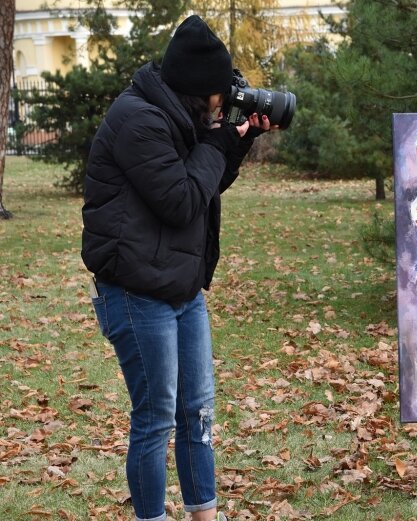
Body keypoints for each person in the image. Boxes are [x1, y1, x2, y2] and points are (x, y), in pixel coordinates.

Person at [81, 15, 271, 521]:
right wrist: (216, 142)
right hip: (136, 290)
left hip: (180, 287)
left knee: (198, 411)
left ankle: (203, 514)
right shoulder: (138, 120)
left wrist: (238, 140)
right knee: (156, 417)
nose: (223, 103)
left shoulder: (181, 116)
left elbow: (204, 187)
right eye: (218, 94)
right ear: (195, 90)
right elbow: (182, 200)